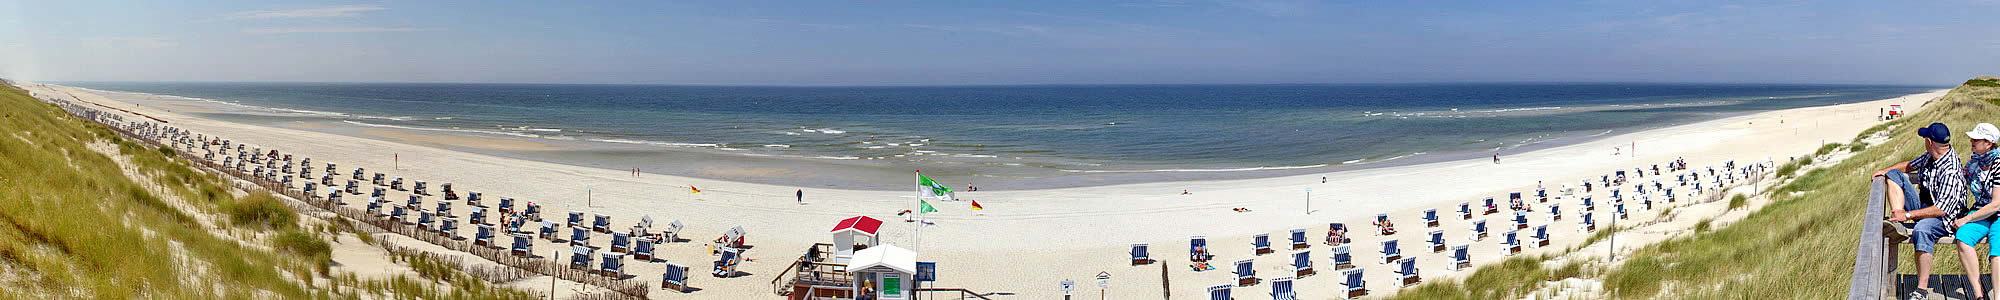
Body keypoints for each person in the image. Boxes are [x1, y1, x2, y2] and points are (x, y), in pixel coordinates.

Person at [1874, 122, 1972, 300]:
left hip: (1945, 219)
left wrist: (1909, 215)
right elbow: (1909, 166)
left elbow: (1942, 209)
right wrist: (1883, 171)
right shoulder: (1931, 156)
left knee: (1922, 229)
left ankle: (1921, 289)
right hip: (1925, 207)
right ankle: (1898, 220)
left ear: (1929, 141)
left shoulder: (1951, 169)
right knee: (1894, 175)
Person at [1956, 123, 2000, 300]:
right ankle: (1978, 294)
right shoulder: (1974, 163)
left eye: (1976, 139)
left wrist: (1968, 218)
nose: (1971, 141)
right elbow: (1959, 179)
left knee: (1997, 252)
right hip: (1981, 211)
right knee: (1963, 238)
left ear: (1988, 143)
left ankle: (1998, 296)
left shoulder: (1999, 164)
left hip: (1997, 214)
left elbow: (1997, 204)